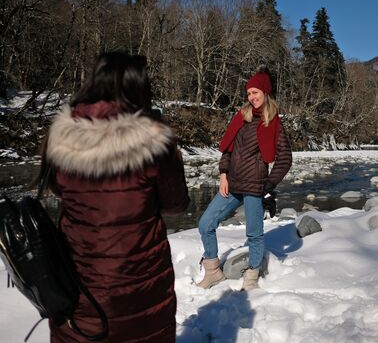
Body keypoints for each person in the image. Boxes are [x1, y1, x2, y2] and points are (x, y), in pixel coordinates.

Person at [40, 52, 190, 342]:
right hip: (140, 288)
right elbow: (176, 205)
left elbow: (59, 191)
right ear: (137, 89)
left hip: (79, 288)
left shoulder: (60, 137)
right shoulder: (155, 144)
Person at [197, 68, 292, 291]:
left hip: (254, 187)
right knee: (205, 223)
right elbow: (227, 149)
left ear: (265, 92)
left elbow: (285, 159)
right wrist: (223, 174)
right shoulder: (242, 117)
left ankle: (251, 277)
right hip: (232, 184)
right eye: (249, 93)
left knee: (254, 234)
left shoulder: (274, 123)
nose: (251, 97)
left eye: (255, 92)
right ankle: (213, 272)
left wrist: (268, 185)